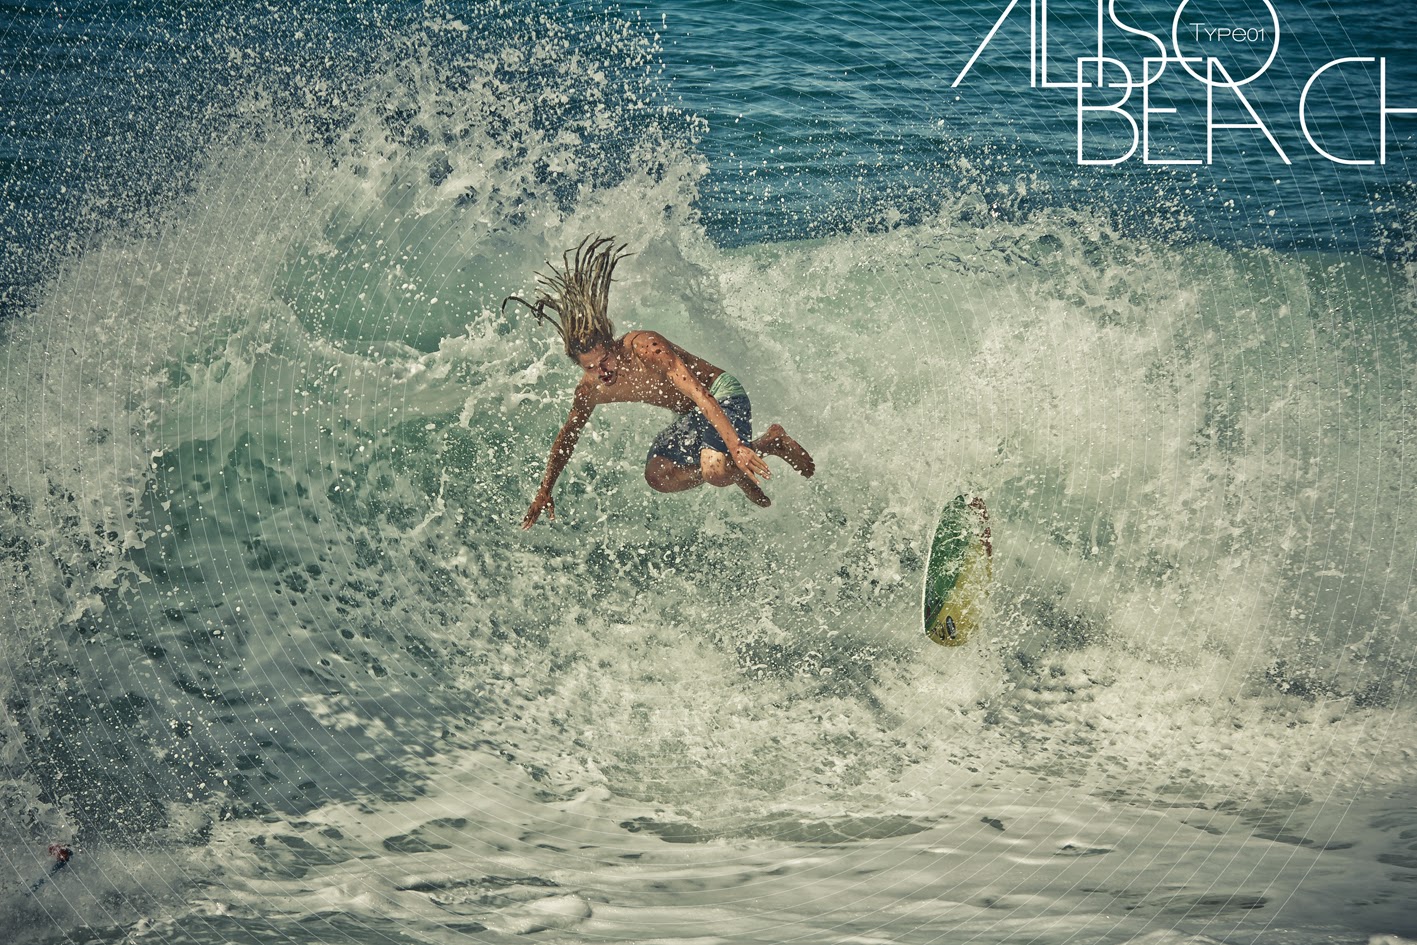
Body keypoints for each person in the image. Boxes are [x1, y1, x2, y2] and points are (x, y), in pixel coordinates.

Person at [505, 236, 814, 530]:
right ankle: (730, 465)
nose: (604, 372)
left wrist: (736, 446)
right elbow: (567, 437)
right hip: (692, 417)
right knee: (659, 476)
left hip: (719, 394)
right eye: (592, 367)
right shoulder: (591, 389)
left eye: (605, 360)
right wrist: (545, 489)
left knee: (715, 472)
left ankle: (769, 442)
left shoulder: (645, 348)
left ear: (612, 344)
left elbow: (700, 393)